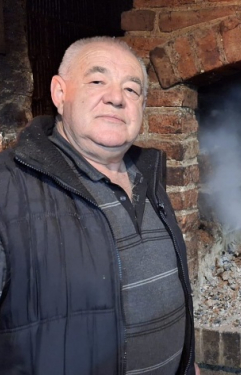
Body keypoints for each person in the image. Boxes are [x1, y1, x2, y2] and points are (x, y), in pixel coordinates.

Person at [0, 36, 198, 375]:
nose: (117, 98)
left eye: (132, 90)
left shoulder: (147, 177)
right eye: (97, 81)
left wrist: (187, 364)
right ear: (60, 94)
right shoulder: (8, 188)